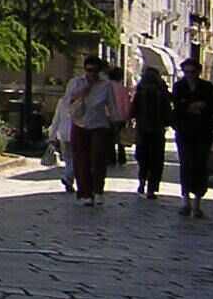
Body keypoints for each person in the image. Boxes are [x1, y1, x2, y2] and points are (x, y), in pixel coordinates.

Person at [62, 55, 118, 206]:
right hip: (79, 124)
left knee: (97, 157)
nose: (91, 74)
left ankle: (98, 190)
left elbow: (111, 106)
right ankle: (85, 193)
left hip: (99, 125)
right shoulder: (76, 83)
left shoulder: (105, 85)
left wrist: (116, 123)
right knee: (81, 160)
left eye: (94, 71)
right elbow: (66, 104)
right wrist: (80, 94)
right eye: (88, 70)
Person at [170, 56, 213, 216]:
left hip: (203, 132)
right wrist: (193, 106)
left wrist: (191, 107)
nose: (189, 74)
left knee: (200, 165)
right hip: (184, 132)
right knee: (186, 164)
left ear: (198, 72)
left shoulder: (207, 87)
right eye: (186, 72)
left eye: (192, 72)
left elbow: (212, 107)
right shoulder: (179, 87)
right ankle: (185, 201)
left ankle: (197, 202)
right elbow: (177, 107)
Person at [131, 62, 173, 198]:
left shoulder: (140, 91)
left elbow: (133, 111)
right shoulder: (162, 92)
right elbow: (168, 111)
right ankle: (152, 188)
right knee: (156, 159)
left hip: (142, 129)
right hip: (158, 130)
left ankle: (142, 180)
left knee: (142, 158)